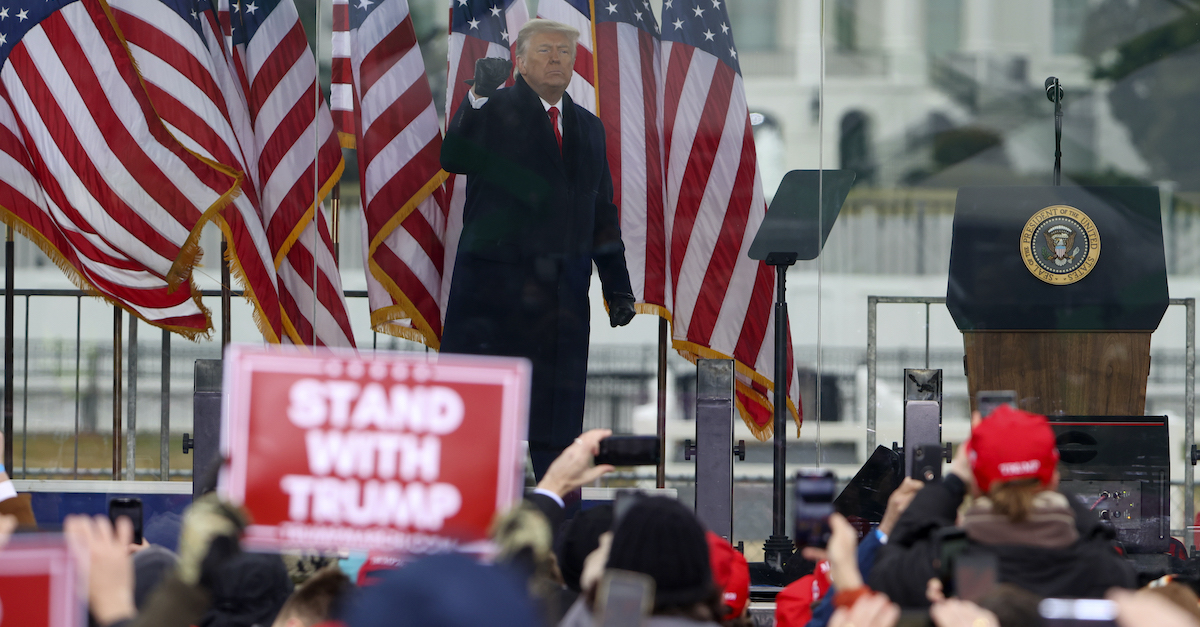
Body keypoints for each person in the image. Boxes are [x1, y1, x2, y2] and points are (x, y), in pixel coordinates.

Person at [440, 18, 636, 479]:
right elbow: (455, 158)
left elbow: (601, 213)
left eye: (564, 53)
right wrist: (479, 98)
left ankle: (560, 530)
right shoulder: (495, 109)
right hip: (495, 299)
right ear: (520, 63)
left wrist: (618, 287)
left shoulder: (588, 128)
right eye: (545, 51)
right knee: (482, 422)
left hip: (561, 302)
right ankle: (475, 533)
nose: (556, 60)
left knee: (558, 429)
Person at [868, 405, 1136, 607]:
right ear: (1053, 477)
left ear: (975, 483)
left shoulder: (945, 563)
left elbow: (886, 572)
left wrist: (952, 484)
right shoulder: (1097, 569)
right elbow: (1115, 563)